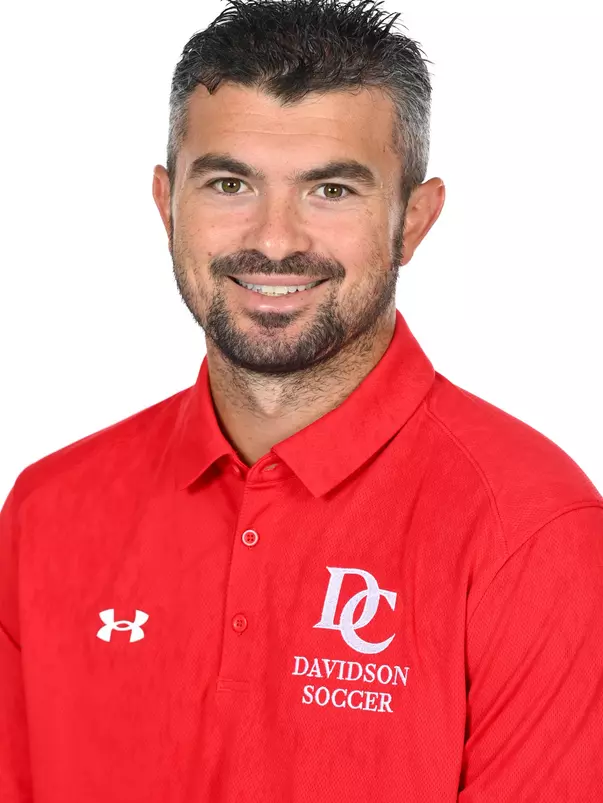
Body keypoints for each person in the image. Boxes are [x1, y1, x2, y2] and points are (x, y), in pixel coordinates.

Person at [1, 0, 601, 800]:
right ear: (164, 203)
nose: (276, 239)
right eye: (228, 182)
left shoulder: (532, 531)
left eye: (330, 189)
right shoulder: (49, 509)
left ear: (412, 221)